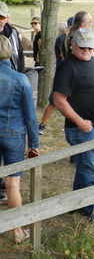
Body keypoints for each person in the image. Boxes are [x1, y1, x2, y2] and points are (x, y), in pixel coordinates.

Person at [53, 28, 94, 221]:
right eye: (83, 48)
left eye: (91, 47)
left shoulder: (90, 58)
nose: (87, 51)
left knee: (85, 167)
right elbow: (58, 100)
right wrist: (80, 122)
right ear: (72, 45)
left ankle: (77, 204)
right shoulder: (68, 67)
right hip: (84, 129)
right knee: (90, 169)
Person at [0, 35, 40, 243]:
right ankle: (17, 231)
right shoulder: (20, 79)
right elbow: (30, 117)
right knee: (12, 184)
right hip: (14, 135)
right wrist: (34, 144)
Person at [0, 1, 25, 204]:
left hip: (13, 85)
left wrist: (23, 84)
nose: (0, 22)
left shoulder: (12, 33)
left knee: (12, 180)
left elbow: (19, 59)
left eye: (2, 17)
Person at [38, 17, 73, 135]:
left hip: (72, 75)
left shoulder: (74, 39)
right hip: (62, 74)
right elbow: (64, 56)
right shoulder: (62, 39)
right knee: (53, 101)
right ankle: (42, 124)